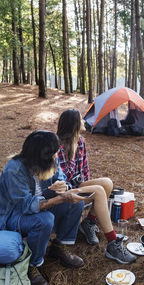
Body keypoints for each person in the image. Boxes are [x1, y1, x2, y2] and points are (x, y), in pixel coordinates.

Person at [0, 131, 85, 285]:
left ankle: (58, 247)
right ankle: (31, 266)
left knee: (76, 204)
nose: (57, 155)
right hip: (11, 218)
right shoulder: (15, 170)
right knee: (45, 219)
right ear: (42, 155)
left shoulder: (48, 162)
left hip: (36, 210)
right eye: (54, 152)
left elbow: (61, 178)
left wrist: (64, 186)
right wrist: (61, 199)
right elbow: (27, 205)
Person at [57, 109, 136, 264]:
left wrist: (86, 187)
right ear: (73, 124)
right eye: (81, 119)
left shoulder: (80, 141)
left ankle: (89, 223)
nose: (84, 122)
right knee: (99, 191)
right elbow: (62, 182)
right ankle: (112, 244)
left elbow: (84, 172)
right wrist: (87, 190)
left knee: (107, 183)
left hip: (76, 186)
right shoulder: (59, 147)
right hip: (64, 194)